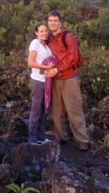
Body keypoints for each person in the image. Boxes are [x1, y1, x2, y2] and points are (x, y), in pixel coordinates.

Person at [44, 11, 89, 151]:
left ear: (60, 22)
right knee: (56, 110)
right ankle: (60, 136)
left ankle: (82, 140)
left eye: (55, 20)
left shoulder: (68, 37)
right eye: (50, 20)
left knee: (74, 109)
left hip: (69, 77)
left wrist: (57, 70)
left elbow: (73, 58)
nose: (52, 23)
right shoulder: (48, 38)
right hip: (54, 79)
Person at [27, 23, 54, 144]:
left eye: (45, 31)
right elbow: (30, 63)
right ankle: (32, 138)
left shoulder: (46, 46)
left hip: (46, 81)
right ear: (36, 33)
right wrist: (45, 67)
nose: (44, 33)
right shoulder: (35, 43)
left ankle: (41, 137)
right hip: (38, 81)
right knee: (36, 109)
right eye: (41, 31)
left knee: (43, 110)